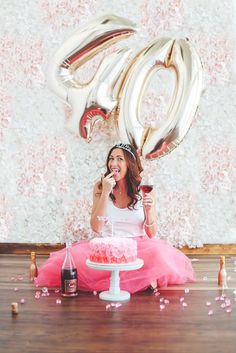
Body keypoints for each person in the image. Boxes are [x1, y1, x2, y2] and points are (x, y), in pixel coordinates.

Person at [35, 143, 195, 293]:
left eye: (119, 159)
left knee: (159, 253)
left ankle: (135, 280)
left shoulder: (145, 190)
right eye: (111, 158)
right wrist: (105, 192)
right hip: (107, 247)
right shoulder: (100, 187)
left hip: (137, 248)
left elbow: (152, 233)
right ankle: (141, 281)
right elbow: (96, 228)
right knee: (74, 259)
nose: (113, 163)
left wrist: (149, 210)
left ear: (129, 164)